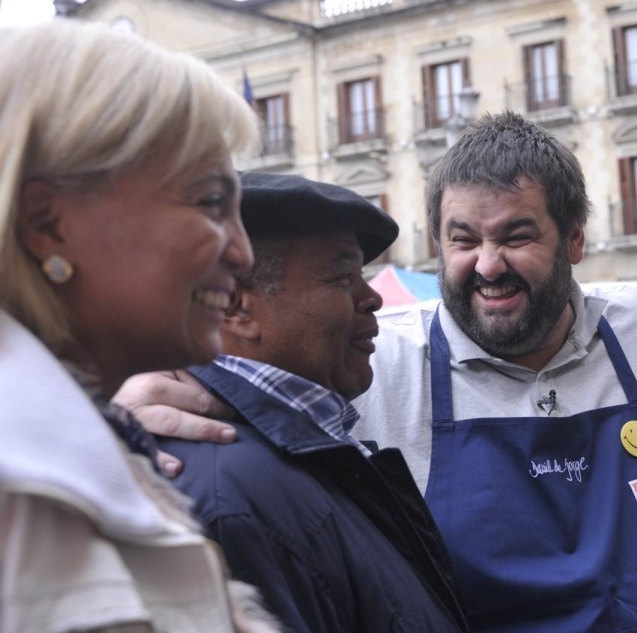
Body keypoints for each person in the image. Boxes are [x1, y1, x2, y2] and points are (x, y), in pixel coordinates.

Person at [116, 113, 637, 632]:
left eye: (516, 235)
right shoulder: (378, 371)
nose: (486, 264)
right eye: (460, 239)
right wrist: (143, 388)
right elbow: (259, 399)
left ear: (576, 242)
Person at [0, 21, 278, 632]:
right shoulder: (23, 498)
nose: (243, 253)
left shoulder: (64, 459)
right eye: (209, 203)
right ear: (46, 223)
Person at [158, 173, 470, 632]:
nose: (373, 297)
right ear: (234, 307)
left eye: (361, 274)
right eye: (341, 277)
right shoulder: (234, 500)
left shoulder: (302, 454)